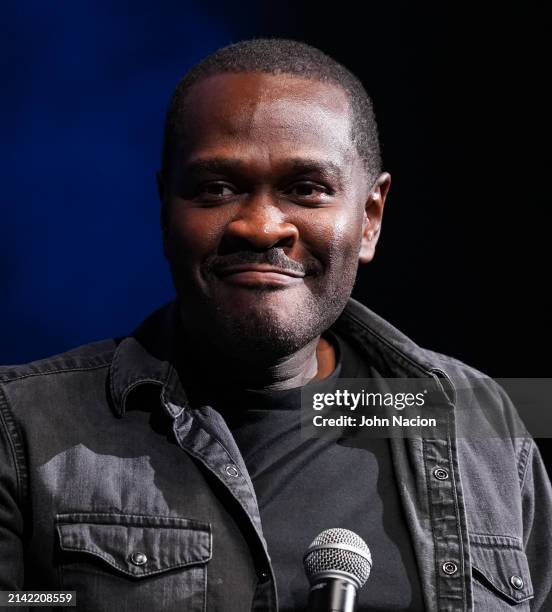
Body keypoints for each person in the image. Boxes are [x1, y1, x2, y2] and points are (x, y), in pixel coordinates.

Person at [0, 38, 550, 612]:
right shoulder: (20, 426)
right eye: (216, 188)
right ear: (166, 210)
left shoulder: (481, 418)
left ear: (369, 218)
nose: (261, 226)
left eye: (306, 189)